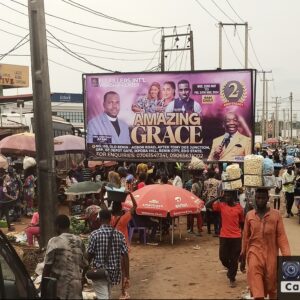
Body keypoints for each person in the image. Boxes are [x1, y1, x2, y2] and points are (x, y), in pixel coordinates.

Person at [240, 188, 291, 299]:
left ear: (267, 199)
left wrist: (287, 257)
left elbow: (281, 236)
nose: (260, 201)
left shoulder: (276, 215)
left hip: (271, 255)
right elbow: (245, 237)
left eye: (263, 198)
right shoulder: (250, 215)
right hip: (254, 254)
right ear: (254, 198)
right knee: (257, 286)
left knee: (272, 285)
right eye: (258, 198)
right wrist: (243, 254)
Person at [42, 214, 88, 299]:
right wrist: (82, 278)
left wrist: (43, 287)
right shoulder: (79, 240)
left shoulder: (54, 241)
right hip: (76, 287)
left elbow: (47, 266)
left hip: (61, 288)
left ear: (57, 226)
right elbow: (85, 263)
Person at [87, 209, 129, 299]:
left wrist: (84, 271)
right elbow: (125, 255)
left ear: (99, 219)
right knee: (107, 295)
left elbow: (89, 255)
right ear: (110, 219)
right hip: (114, 272)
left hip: (99, 272)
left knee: (104, 297)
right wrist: (127, 276)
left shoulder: (94, 235)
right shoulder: (119, 234)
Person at [207, 190, 244, 288]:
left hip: (236, 236)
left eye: (229, 196)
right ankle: (232, 269)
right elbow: (207, 205)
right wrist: (218, 197)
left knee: (234, 259)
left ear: (233, 196)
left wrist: (243, 234)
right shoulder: (221, 205)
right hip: (224, 236)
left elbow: (242, 222)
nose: (227, 197)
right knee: (223, 257)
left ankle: (232, 278)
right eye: (225, 196)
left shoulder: (239, 208)